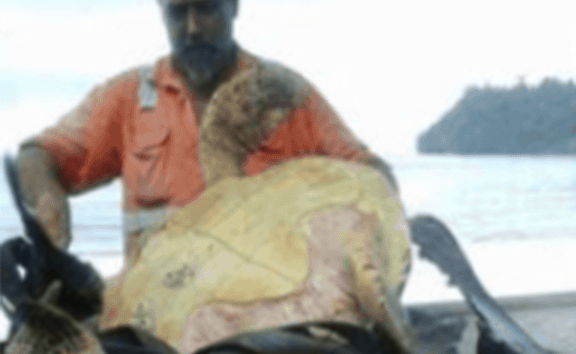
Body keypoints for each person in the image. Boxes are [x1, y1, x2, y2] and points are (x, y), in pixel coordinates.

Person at [14, 0, 396, 264]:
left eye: (207, 8)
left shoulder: (287, 97)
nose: (193, 27)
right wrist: (48, 206)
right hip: (158, 320)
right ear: (161, 12)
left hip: (268, 313)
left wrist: (370, 241)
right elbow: (37, 156)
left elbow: (370, 173)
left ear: (234, 6)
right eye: (178, 12)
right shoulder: (128, 99)